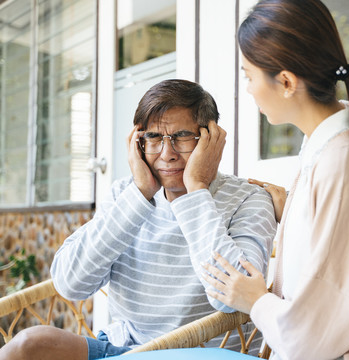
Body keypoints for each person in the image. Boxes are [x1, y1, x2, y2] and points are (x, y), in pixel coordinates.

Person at [200, 1, 349, 359]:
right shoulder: (331, 153)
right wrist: (294, 213)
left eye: (249, 76)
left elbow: (312, 338)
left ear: (285, 82)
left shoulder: (340, 164)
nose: (247, 89)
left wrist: (256, 300)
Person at [0, 79, 277, 360]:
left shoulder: (250, 198)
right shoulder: (126, 194)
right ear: (138, 142)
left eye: (181, 136)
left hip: (200, 353)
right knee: (27, 346)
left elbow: (229, 297)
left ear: (212, 138)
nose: (167, 155)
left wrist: (196, 189)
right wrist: (141, 193)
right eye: (154, 138)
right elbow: (70, 283)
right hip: (124, 350)